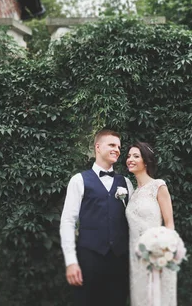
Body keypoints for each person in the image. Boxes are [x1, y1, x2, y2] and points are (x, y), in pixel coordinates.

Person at [60, 129, 134, 306]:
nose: (117, 149)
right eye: (112, 145)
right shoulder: (79, 180)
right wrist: (71, 261)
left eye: (118, 146)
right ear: (98, 147)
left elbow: (133, 221)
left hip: (119, 261)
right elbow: (68, 221)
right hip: (89, 259)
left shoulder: (126, 182)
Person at [125, 142, 177, 306]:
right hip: (136, 258)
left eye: (135, 156)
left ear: (146, 162)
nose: (130, 159)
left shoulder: (158, 186)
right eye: (128, 156)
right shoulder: (132, 194)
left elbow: (169, 225)